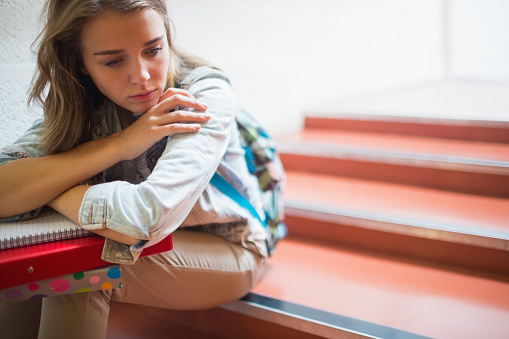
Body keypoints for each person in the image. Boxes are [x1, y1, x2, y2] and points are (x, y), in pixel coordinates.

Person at [0, 0, 268, 338]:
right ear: (79, 63)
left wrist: (49, 186)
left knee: (78, 274)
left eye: (154, 50)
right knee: (28, 264)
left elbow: (143, 220)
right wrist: (121, 144)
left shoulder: (201, 94)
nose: (142, 76)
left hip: (229, 248)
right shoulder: (82, 104)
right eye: (113, 61)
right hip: (139, 245)